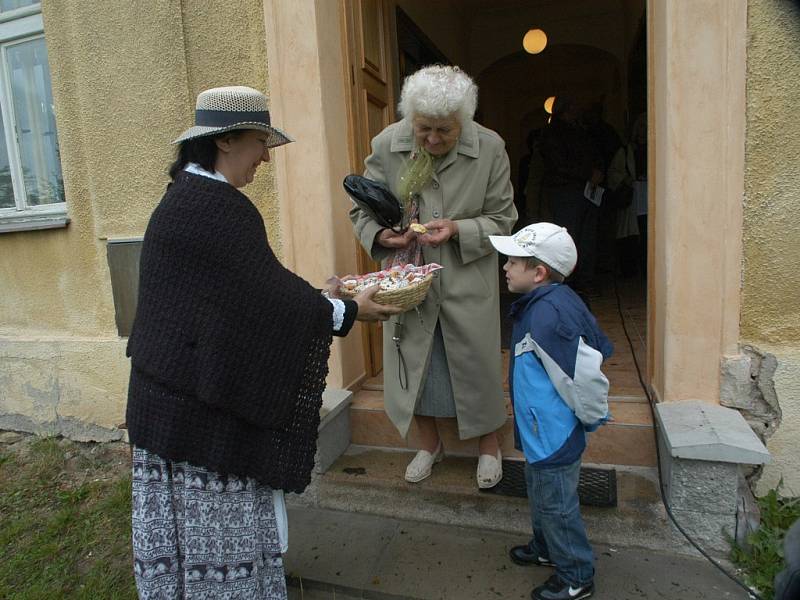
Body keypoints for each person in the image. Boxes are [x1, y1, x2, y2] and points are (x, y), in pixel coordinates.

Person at [125, 86, 400, 600]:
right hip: (191, 412)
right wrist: (346, 309)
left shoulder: (192, 197)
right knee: (213, 543)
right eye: (259, 143)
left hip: (175, 400)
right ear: (226, 142)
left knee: (191, 546)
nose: (264, 159)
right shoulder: (212, 207)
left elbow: (248, 295)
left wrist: (320, 299)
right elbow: (265, 295)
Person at [350, 65, 518, 488]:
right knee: (413, 366)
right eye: (424, 129)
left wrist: (459, 229)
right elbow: (362, 207)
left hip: (465, 280)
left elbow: (504, 219)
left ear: (463, 120)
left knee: (476, 367)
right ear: (411, 119)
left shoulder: (491, 148)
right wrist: (381, 234)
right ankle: (429, 444)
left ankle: (488, 447)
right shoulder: (388, 143)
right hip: (409, 281)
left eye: (445, 130)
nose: (433, 139)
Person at [489, 222, 613, 600]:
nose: (505, 268)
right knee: (542, 497)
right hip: (540, 434)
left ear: (539, 272)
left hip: (555, 438)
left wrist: (589, 418)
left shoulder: (549, 318)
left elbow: (585, 378)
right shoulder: (539, 305)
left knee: (558, 507)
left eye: (513, 261)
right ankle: (545, 549)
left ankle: (576, 575)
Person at [538, 97, 604, 297]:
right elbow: (556, 164)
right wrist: (588, 174)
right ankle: (570, 281)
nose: (579, 110)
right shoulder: (552, 133)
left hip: (585, 191)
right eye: (575, 106)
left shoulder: (581, 130)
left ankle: (584, 280)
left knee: (587, 237)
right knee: (569, 237)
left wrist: (598, 171)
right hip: (565, 191)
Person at [607, 112, 647, 278]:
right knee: (630, 236)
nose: (644, 131)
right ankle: (630, 273)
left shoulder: (657, 148)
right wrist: (626, 179)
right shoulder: (625, 151)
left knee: (647, 233)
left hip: (649, 197)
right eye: (642, 127)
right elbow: (613, 173)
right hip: (632, 198)